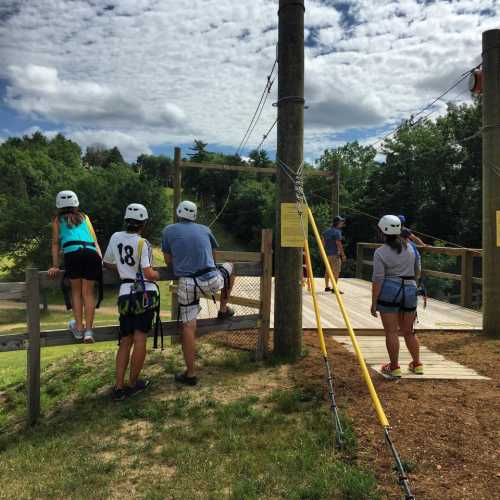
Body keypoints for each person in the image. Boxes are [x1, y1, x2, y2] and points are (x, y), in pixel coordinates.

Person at [162, 200, 235, 386]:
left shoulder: (168, 231)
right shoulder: (205, 229)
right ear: (195, 215)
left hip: (187, 283)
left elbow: (168, 261)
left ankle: (191, 373)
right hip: (211, 280)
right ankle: (224, 308)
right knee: (231, 267)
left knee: (188, 327)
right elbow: (214, 256)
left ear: (178, 213)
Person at [103, 203, 160, 401]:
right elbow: (148, 272)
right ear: (143, 224)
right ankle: (133, 383)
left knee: (125, 341)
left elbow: (107, 262)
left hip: (125, 293)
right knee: (140, 339)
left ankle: (118, 387)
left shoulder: (115, 237)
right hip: (143, 294)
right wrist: (156, 274)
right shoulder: (143, 243)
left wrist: (121, 271)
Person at [371, 215, 423, 379]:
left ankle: (394, 367)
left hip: (390, 291)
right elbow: (416, 271)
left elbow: (378, 279)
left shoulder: (380, 252)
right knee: (409, 331)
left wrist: (374, 302)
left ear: (382, 231)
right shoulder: (410, 248)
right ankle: (417, 363)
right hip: (410, 290)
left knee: (391, 332)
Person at [48, 190, 102, 343]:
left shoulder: (57, 220)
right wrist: (100, 260)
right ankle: (89, 332)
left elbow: (55, 243)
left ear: (58, 205)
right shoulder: (85, 217)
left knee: (76, 293)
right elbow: (95, 240)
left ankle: (79, 328)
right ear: (76, 203)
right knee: (88, 294)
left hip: (73, 254)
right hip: (91, 254)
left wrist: (55, 265)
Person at [322, 215, 346, 293]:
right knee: (336, 271)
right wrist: (343, 255)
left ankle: (326, 287)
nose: (342, 223)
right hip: (335, 255)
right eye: (341, 221)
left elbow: (323, 243)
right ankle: (334, 289)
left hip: (327, 255)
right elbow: (338, 244)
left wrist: (323, 253)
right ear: (338, 223)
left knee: (327, 270)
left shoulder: (326, 231)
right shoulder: (337, 232)